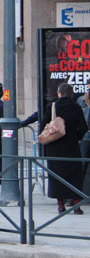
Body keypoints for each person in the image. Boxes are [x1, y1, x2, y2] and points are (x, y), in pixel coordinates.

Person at [40, 83, 88, 214]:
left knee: (57, 176)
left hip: (54, 148)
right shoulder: (76, 108)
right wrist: (75, 137)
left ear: (59, 93)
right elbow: (84, 128)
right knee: (74, 175)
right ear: (71, 94)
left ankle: (61, 205)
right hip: (72, 148)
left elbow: (42, 126)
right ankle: (76, 205)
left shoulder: (52, 107)